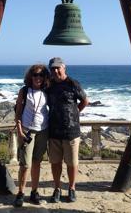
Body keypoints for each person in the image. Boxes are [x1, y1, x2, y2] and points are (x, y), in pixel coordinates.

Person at [47, 57, 89, 203]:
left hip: (71, 131)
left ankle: (72, 188)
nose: (56, 71)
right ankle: (57, 188)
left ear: (64, 68)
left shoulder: (73, 84)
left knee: (71, 162)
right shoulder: (49, 85)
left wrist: (75, 112)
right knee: (55, 162)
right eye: (53, 69)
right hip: (53, 131)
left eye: (58, 68)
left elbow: (85, 100)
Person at [13, 64, 50, 207]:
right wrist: (20, 131)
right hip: (27, 130)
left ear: (45, 77)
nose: (38, 78)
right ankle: (21, 193)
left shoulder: (47, 91)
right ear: (30, 76)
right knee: (25, 164)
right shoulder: (24, 91)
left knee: (37, 162)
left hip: (43, 130)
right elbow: (18, 111)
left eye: (41, 75)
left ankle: (34, 192)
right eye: (35, 75)